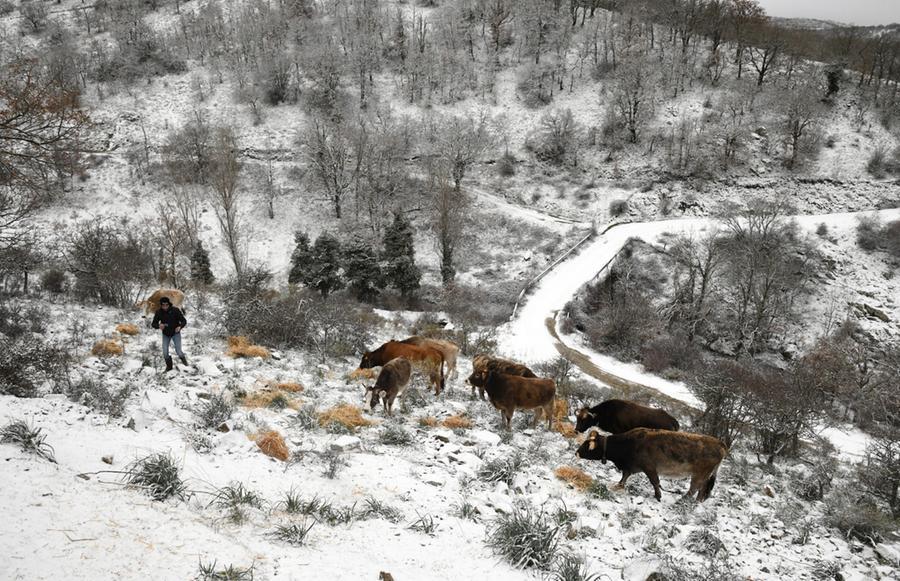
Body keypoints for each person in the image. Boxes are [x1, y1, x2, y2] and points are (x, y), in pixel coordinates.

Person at [151, 296, 188, 372]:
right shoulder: (158, 312)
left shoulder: (175, 310)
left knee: (178, 351)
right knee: (165, 352)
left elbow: (184, 321)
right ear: (161, 305)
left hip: (175, 333)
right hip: (166, 334)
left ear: (169, 304)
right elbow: (153, 324)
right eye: (163, 305)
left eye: (166, 305)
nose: (165, 307)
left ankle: (185, 363)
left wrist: (180, 327)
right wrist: (158, 325)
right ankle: (169, 367)